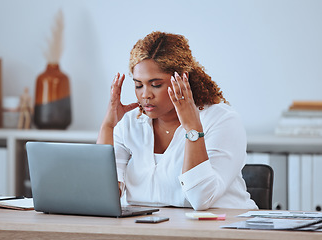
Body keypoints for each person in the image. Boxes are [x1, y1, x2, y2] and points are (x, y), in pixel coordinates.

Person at [97, 31, 257, 211]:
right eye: (138, 85)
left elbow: (201, 198)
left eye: (156, 85)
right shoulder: (130, 123)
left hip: (219, 230)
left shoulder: (221, 120)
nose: (145, 95)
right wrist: (108, 126)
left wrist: (192, 127)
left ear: (182, 80)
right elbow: (101, 196)